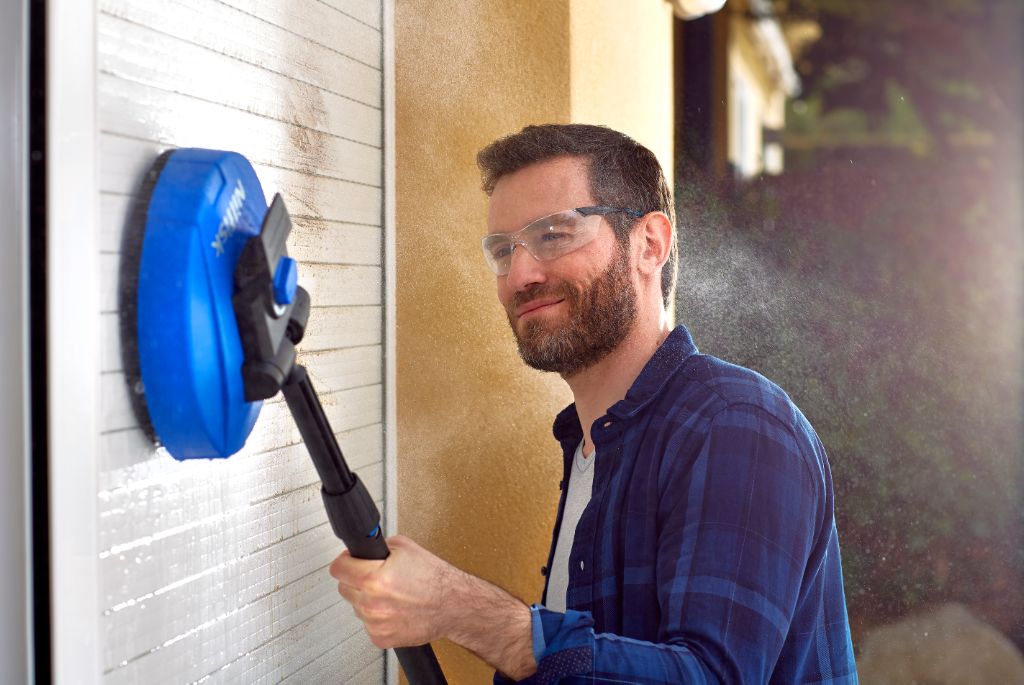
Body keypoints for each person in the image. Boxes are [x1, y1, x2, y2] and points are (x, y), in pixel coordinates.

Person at [330, 124, 858, 683]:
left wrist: (460, 608)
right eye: (503, 251)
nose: (521, 275)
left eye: (555, 235)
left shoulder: (735, 423)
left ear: (650, 244)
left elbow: (712, 676)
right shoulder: (589, 441)